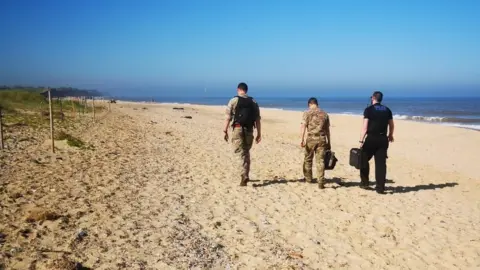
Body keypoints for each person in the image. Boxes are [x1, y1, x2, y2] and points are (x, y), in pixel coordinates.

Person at [223, 82, 262, 186]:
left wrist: (225, 130)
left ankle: (243, 175)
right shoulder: (253, 101)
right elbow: (258, 119)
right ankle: (246, 174)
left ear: (238, 89)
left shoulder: (234, 100)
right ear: (246, 90)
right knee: (246, 151)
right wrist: (259, 133)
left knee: (240, 152)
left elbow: (228, 117)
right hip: (249, 130)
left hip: (238, 128)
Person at [359, 91, 395, 194]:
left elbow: (365, 127)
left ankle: (365, 183)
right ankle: (380, 188)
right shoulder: (387, 110)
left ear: (373, 98)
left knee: (363, 159)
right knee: (381, 164)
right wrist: (390, 135)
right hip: (383, 139)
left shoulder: (369, 110)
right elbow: (391, 125)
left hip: (371, 138)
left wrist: (361, 140)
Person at [300, 97, 331, 189]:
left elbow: (303, 127)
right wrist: (329, 141)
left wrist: (301, 139)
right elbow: (327, 130)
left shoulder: (307, 113)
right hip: (322, 139)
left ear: (309, 104)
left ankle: (308, 178)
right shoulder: (325, 114)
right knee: (320, 161)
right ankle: (320, 181)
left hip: (311, 139)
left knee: (308, 159)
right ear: (317, 104)